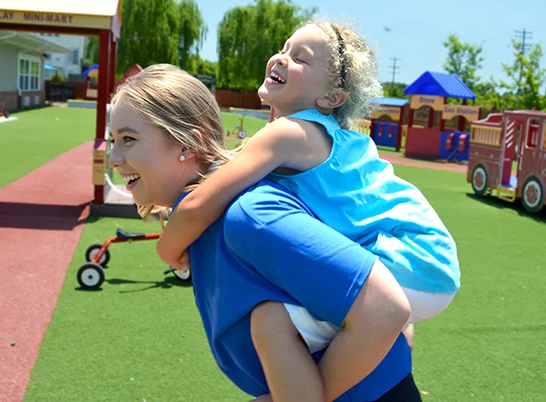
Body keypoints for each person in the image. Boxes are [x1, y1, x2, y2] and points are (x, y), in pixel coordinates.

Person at [155, 21, 460, 398]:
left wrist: (169, 250)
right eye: (283, 48)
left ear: (332, 97)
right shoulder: (322, 137)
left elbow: (201, 203)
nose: (281, 58)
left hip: (409, 257)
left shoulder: (289, 133)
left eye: (300, 58)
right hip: (429, 262)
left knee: (271, 320)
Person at [108, 63, 422, 401]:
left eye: (128, 139)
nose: (113, 157)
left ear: (187, 144)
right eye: (113, 140)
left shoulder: (247, 216)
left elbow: (385, 308)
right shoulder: (208, 226)